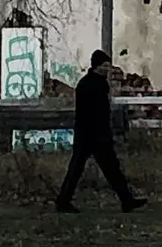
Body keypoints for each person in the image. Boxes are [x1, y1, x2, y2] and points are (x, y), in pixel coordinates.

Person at [55, 50, 146, 212]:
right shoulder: (92, 85)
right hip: (94, 134)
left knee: (95, 169)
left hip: (88, 134)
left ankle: (64, 201)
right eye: (105, 65)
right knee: (107, 169)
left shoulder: (89, 83)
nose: (107, 69)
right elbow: (95, 112)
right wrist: (103, 132)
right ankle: (126, 200)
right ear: (97, 66)